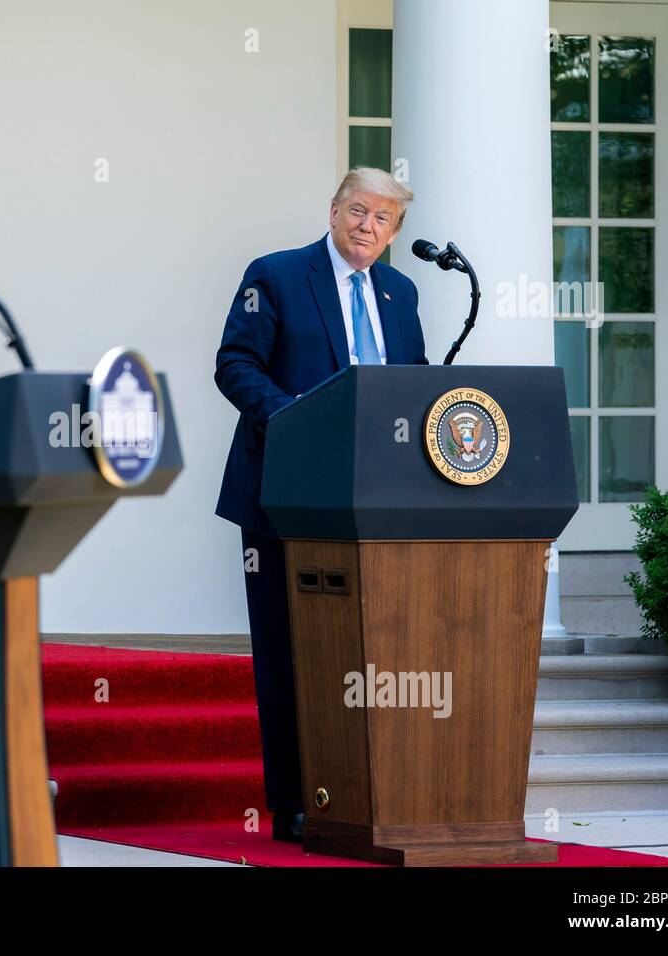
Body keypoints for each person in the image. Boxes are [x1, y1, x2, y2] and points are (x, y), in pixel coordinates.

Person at [213, 167, 428, 842]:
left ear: (395, 232)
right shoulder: (276, 275)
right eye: (360, 212)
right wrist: (299, 418)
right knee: (290, 651)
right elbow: (235, 364)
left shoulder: (400, 291)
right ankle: (294, 803)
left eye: (384, 219)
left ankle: (368, 794)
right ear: (334, 211)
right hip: (283, 496)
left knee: (367, 654)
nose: (369, 227)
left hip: (373, 505)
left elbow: (411, 387)